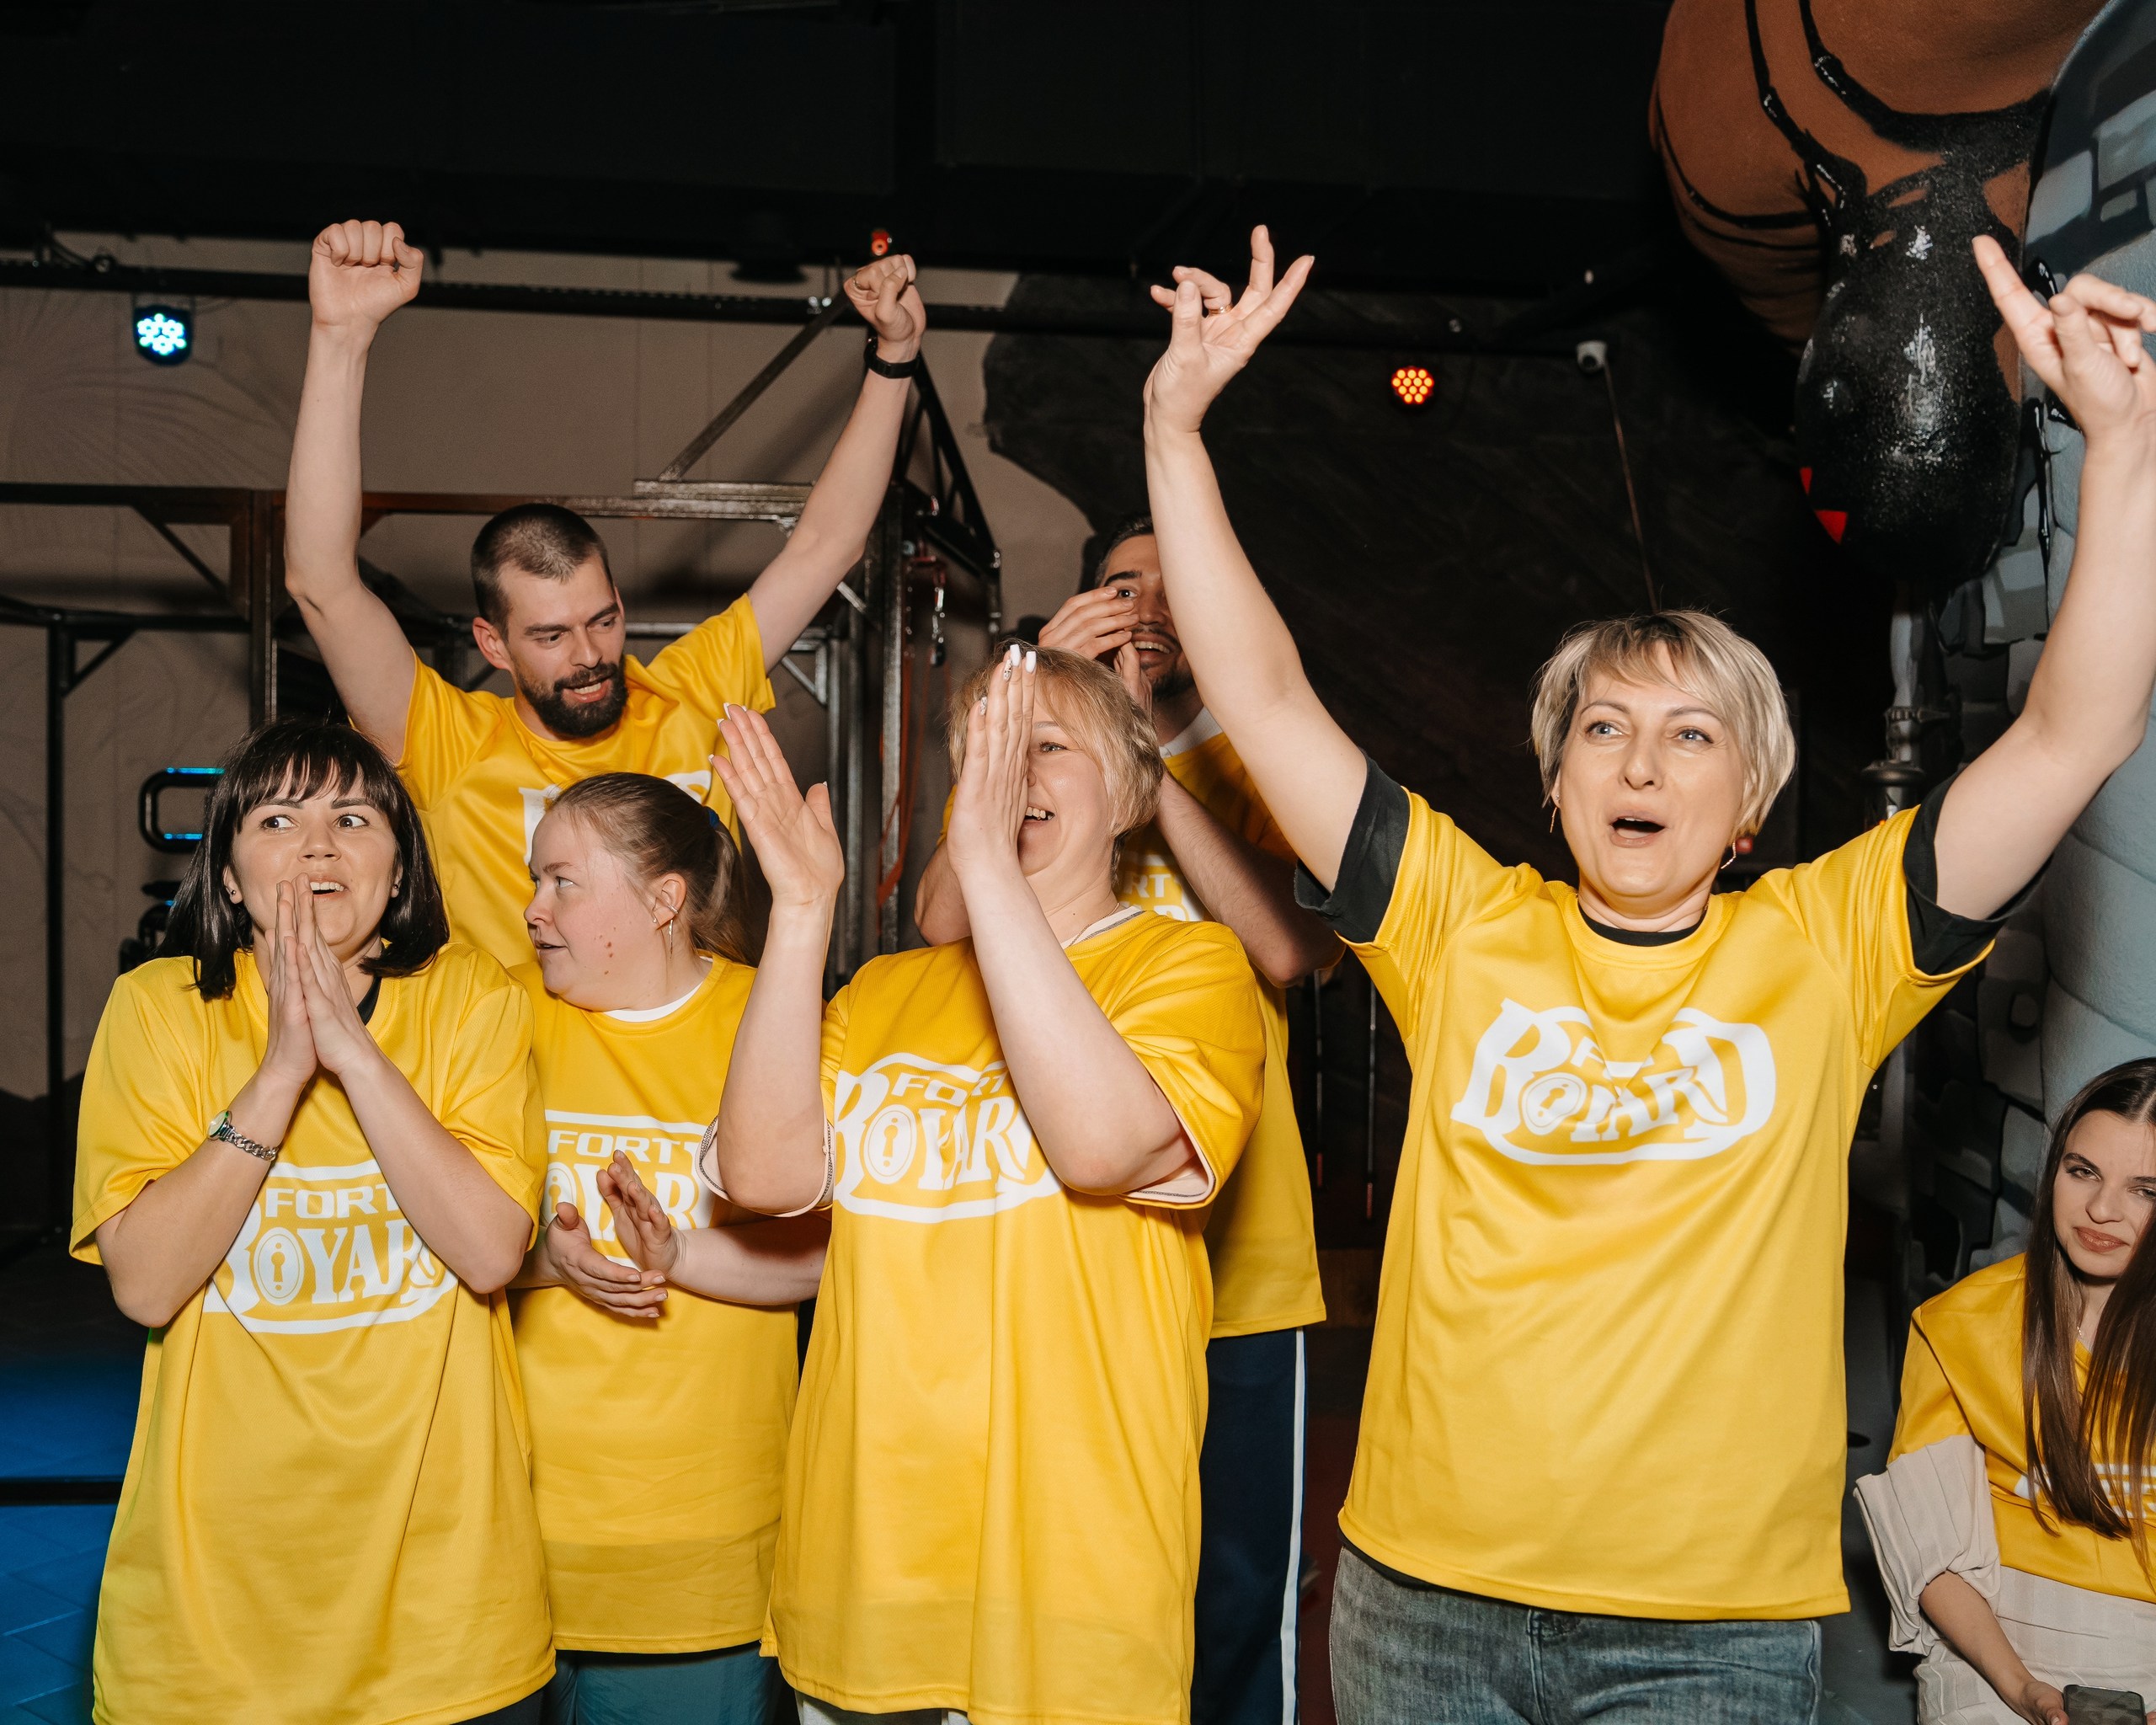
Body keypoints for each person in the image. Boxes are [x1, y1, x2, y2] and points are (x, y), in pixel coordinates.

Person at [1137, 222, 2156, 1722]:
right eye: (1603, 729)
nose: (1639, 761)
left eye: (1691, 736)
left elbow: (2075, 735)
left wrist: (2122, 449)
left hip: (1706, 1632)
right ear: (1556, 782)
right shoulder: (1455, 921)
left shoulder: (1829, 944)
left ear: (1747, 805)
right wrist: (1173, 430)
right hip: (1426, 1605)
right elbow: (1266, 695)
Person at [707, 648, 1266, 1725]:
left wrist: (989, 874)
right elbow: (763, 1174)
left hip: (1071, 1573)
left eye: (1044, 746)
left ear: (1129, 796)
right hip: (871, 1562)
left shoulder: (1190, 967)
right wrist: (802, 915)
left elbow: (1099, 1147)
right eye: (989, 756)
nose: (1009, 776)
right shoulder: (885, 991)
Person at [914, 518, 1335, 1725]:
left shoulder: (1257, 753)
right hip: (1059, 1257)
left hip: (1235, 1247)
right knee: (1074, 1584)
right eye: (1119, 586)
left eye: (1167, 587)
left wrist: (1144, 758)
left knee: (1237, 1588)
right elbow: (941, 924)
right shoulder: (1028, 761)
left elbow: (1289, 949)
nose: (1146, 609)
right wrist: (1031, 706)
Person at [283, 216, 929, 970]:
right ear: (493, 643)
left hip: (703, 1046)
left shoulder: (693, 694)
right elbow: (321, 583)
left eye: (603, 620)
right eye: (551, 636)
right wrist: (340, 336)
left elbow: (828, 544)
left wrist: (895, 355)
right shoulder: (449, 742)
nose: (590, 656)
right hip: (522, 1049)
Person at [72, 718, 552, 1724]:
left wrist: (355, 1053)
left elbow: (488, 1249)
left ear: (400, 867)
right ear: (230, 873)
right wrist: (283, 1069)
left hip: (444, 1615)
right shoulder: (158, 1008)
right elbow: (147, 1283)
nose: (320, 845)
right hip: (214, 1622)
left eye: (354, 817)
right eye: (278, 819)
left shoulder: (473, 998)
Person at [510, 772, 825, 1725]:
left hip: (696, 1556)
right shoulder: (500, 1014)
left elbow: (826, 1258)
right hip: (501, 1543)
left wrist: (677, 1252)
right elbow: (439, 1226)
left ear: (664, 899)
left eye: (563, 882)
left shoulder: (770, 1017)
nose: (532, 909)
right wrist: (548, 1257)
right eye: (534, 880)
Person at [1856, 1059, 2156, 1725]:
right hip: (1995, 1643)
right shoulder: (1959, 1325)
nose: (2102, 1209)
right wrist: (2021, 1689)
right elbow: (1934, 1559)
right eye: (2083, 1171)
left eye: (2146, 1190)